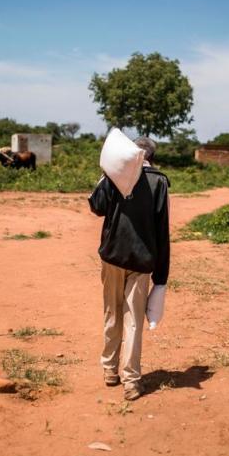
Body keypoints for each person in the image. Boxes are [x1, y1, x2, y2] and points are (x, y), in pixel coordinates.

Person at [88, 136, 170, 401]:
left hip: (112, 256)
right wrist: (161, 275)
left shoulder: (114, 176)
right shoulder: (159, 182)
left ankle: (110, 371)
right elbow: (162, 230)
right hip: (142, 260)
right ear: (152, 158)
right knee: (134, 321)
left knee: (112, 312)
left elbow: (96, 207)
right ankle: (132, 382)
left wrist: (105, 174)